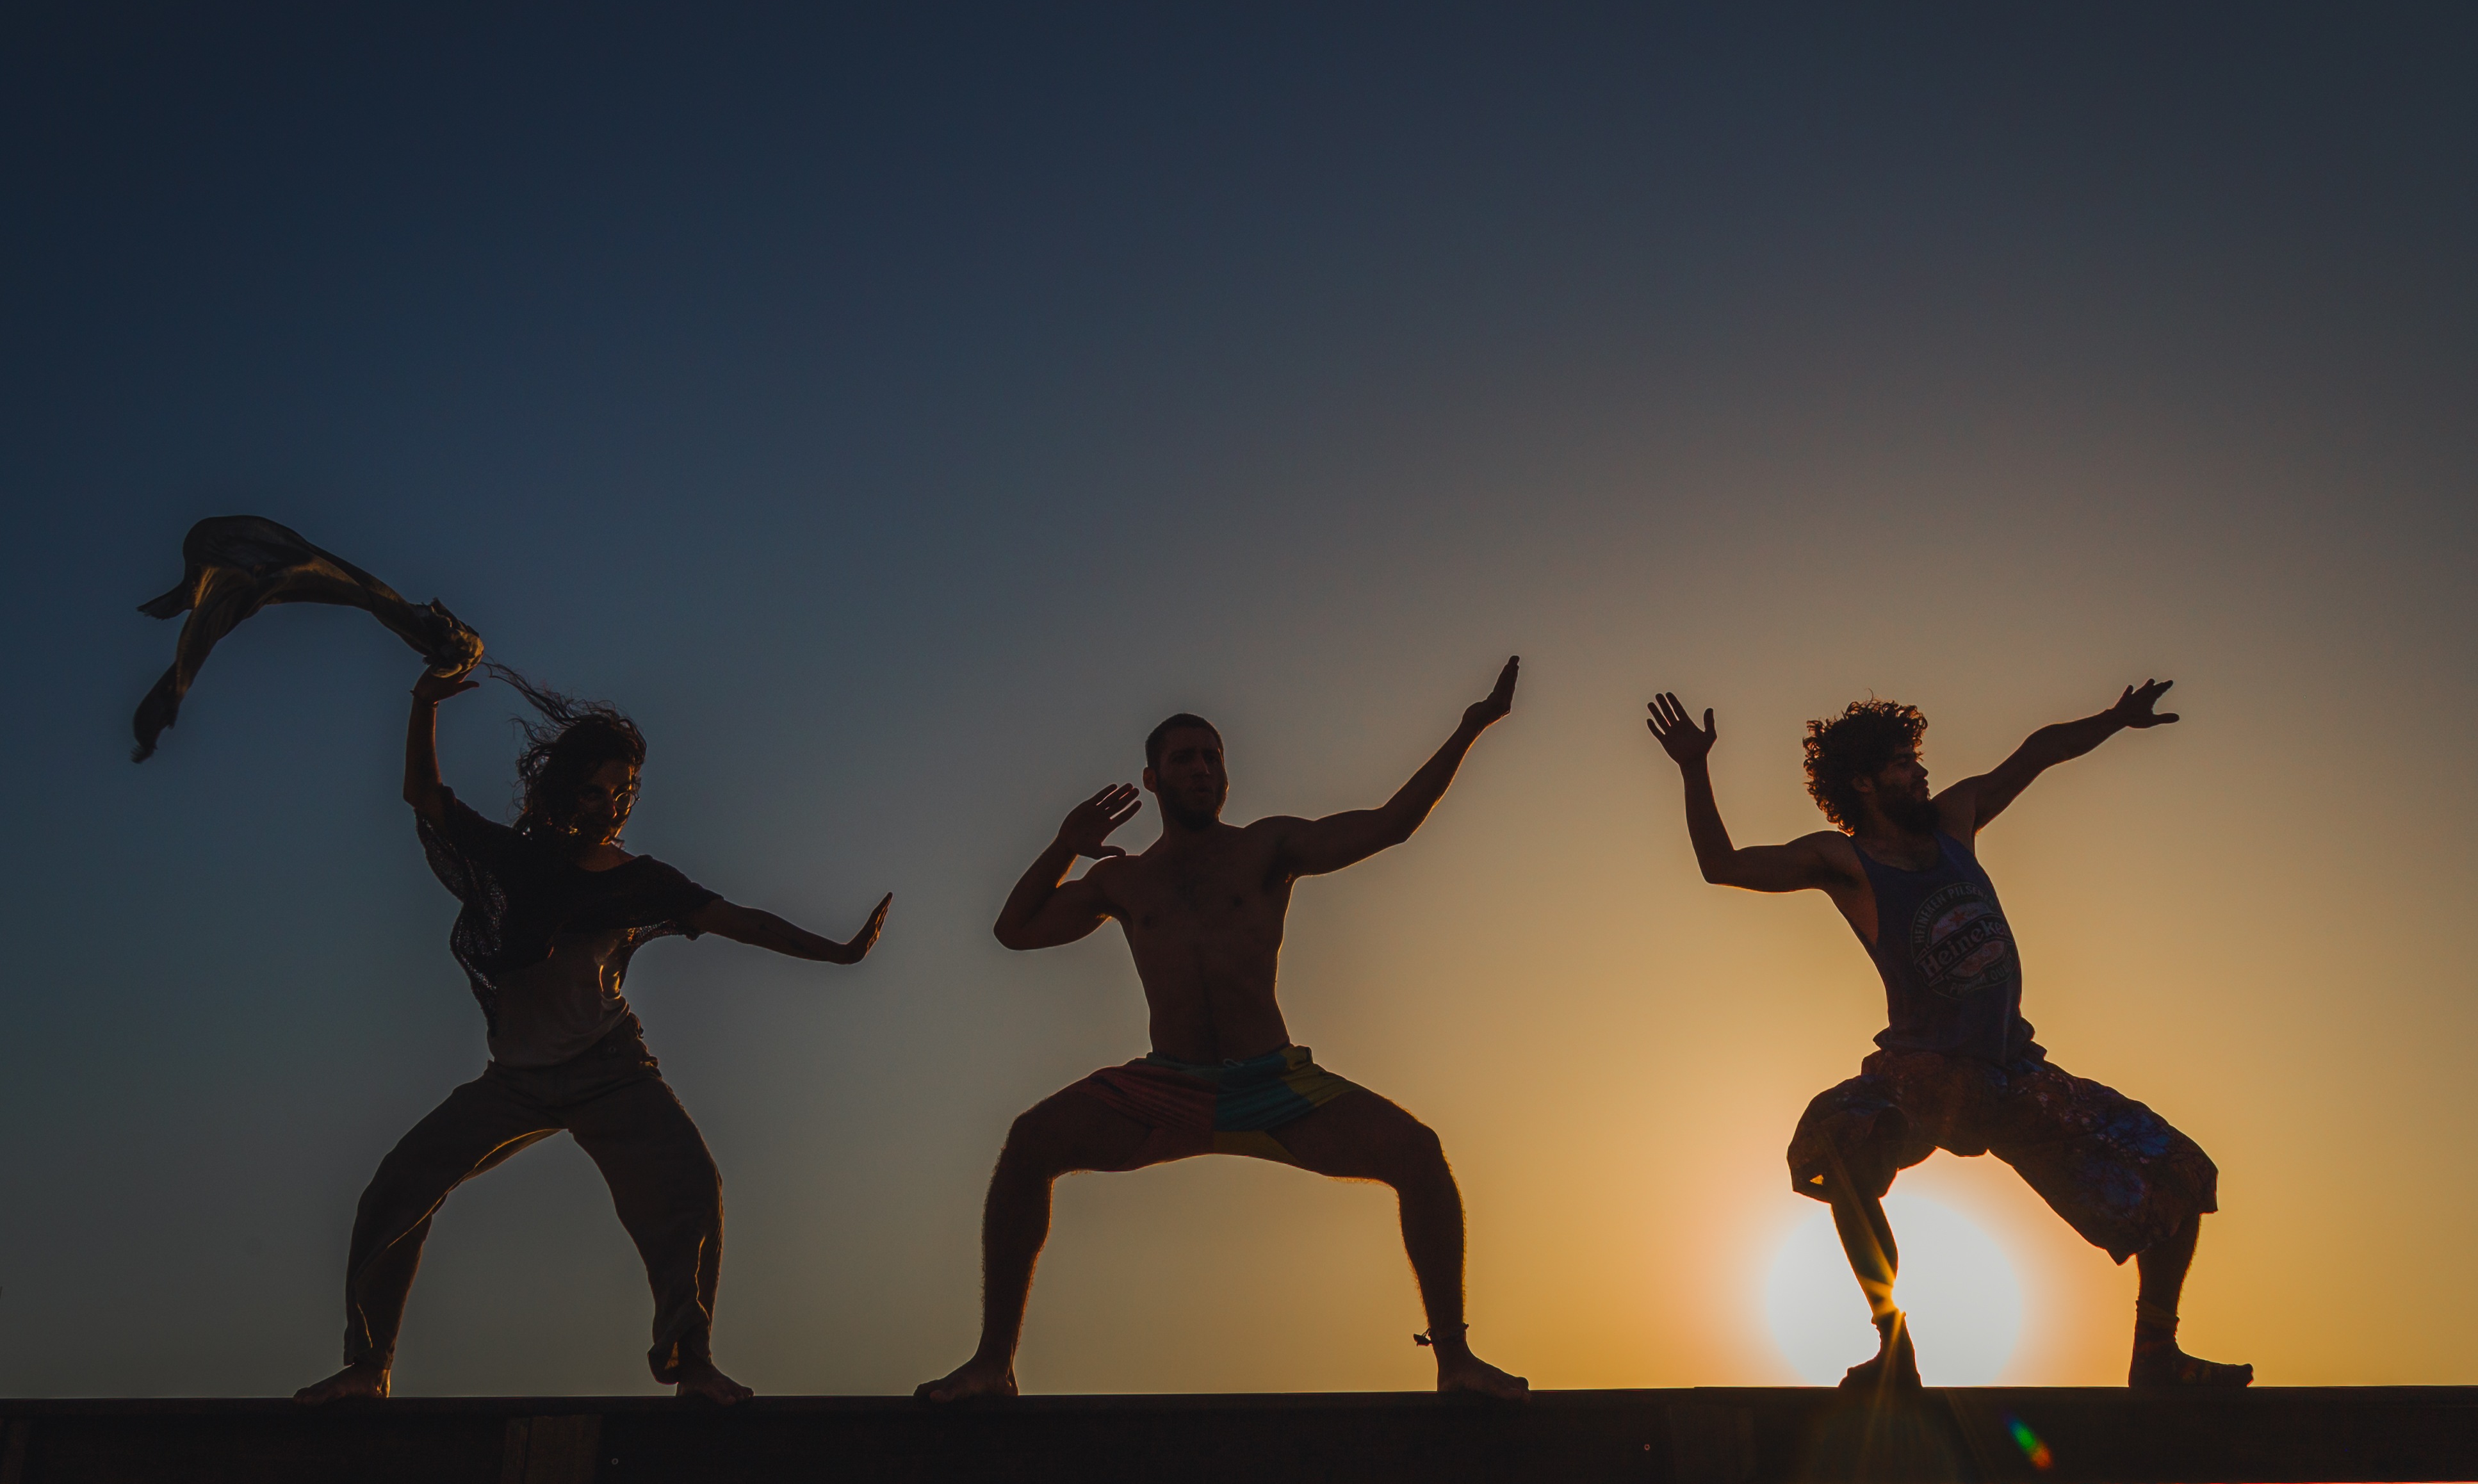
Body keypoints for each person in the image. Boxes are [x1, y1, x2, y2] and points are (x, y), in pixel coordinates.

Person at [916, 659, 1532, 1403]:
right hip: (1166, 1083)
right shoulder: (1124, 881)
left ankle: (1455, 1360)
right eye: (1184, 758)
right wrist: (1063, 846)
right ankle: (992, 1365)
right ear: (1152, 779)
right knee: (1028, 1142)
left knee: (1418, 1153)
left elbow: (1390, 825)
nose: (1202, 768)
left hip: (1271, 1082)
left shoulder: (1266, 848)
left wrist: (1469, 726)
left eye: (1212, 756)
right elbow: (1013, 930)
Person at [294, 666, 890, 1407]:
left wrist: (836, 950)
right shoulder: (514, 860)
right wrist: (422, 702)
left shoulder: (636, 879)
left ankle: (692, 1362)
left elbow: (739, 918)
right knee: (396, 1188)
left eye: (624, 794)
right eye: (596, 791)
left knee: (690, 1186)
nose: (611, 808)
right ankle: (367, 1365)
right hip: (513, 1081)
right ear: (561, 789)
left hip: (611, 1068)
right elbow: (424, 794)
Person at [1645, 681, 2250, 1392]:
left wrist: (2114, 719)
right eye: (1902, 763)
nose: (1919, 772)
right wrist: (1692, 767)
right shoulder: (1843, 862)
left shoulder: (1953, 822)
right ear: (1864, 782)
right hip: (1923, 1073)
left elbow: (2037, 751)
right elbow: (1723, 865)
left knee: (2176, 1168)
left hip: (2011, 1072)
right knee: (1838, 1141)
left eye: (1915, 759)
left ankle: (2154, 1351)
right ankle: (1891, 1345)